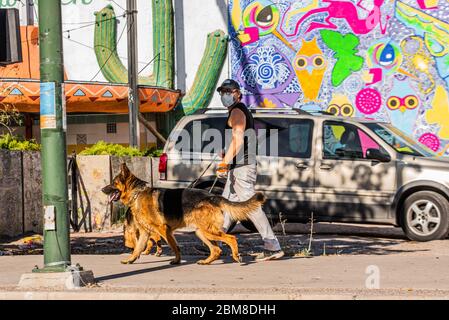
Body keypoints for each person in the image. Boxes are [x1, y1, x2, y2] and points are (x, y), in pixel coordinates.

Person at [216, 79, 284, 262]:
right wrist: (227, 158)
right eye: (222, 91)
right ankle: (216, 243)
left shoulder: (238, 111)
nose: (224, 95)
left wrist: (224, 162)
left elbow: (238, 138)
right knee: (228, 206)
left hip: (242, 167)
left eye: (228, 91)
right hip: (237, 167)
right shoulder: (236, 111)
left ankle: (272, 245)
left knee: (250, 207)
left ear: (237, 93)